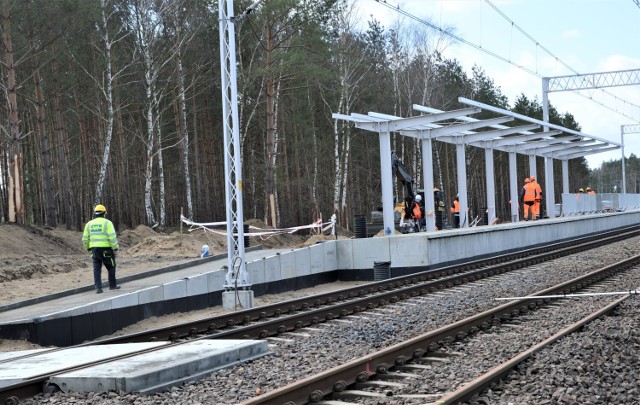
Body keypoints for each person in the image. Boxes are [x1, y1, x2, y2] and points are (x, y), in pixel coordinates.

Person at [82, 204, 120, 293]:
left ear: (95, 213)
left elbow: (84, 239)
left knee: (97, 269)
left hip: (94, 250)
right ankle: (112, 285)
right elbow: (112, 237)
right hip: (107, 250)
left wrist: (88, 248)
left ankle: (98, 288)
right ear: (104, 213)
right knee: (111, 267)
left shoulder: (89, 224)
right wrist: (115, 248)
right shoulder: (108, 223)